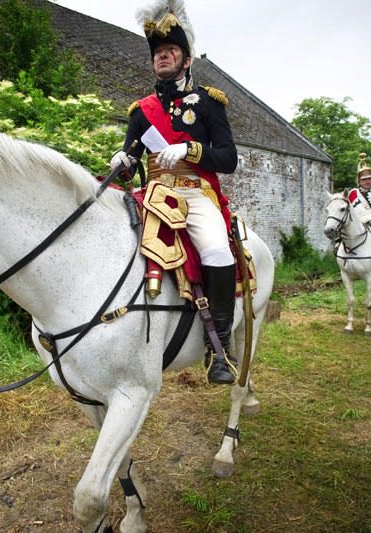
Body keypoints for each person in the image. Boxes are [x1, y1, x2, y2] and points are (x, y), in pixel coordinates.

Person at [110, 0, 238, 384]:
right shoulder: (141, 111)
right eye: (157, 54)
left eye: (170, 51)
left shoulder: (210, 104)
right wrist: (122, 159)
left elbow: (229, 159)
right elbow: (132, 159)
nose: (162, 57)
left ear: (186, 60)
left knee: (216, 249)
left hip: (195, 193)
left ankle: (221, 349)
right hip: (152, 194)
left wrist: (190, 150)